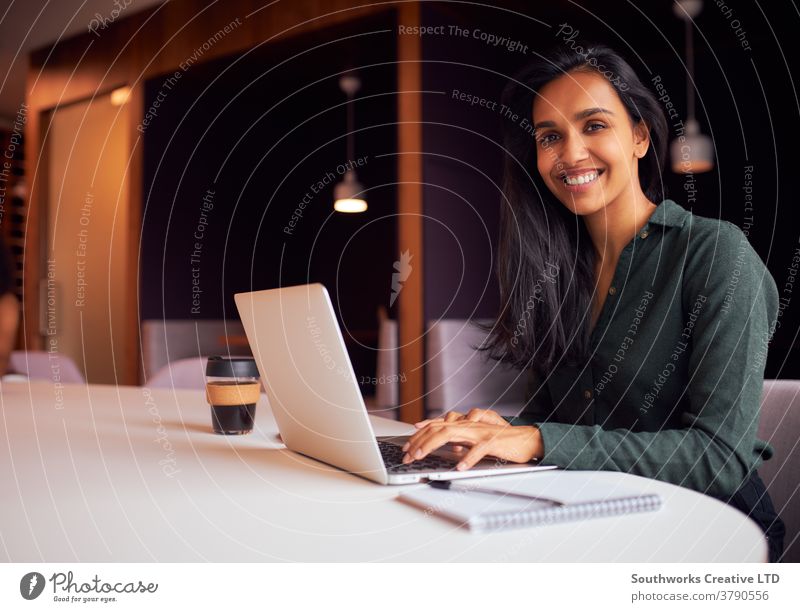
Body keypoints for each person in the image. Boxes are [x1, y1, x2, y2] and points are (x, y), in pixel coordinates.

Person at [401, 43, 785, 561]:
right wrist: (503, 433)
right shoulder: (556, 270)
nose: (571, 153)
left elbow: (719, 458)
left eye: (595, 125)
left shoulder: (715, 255)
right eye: (550, 137)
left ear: (641, 137)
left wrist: (538, 440)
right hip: (592, 514)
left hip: (708, 533)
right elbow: (553, 419)